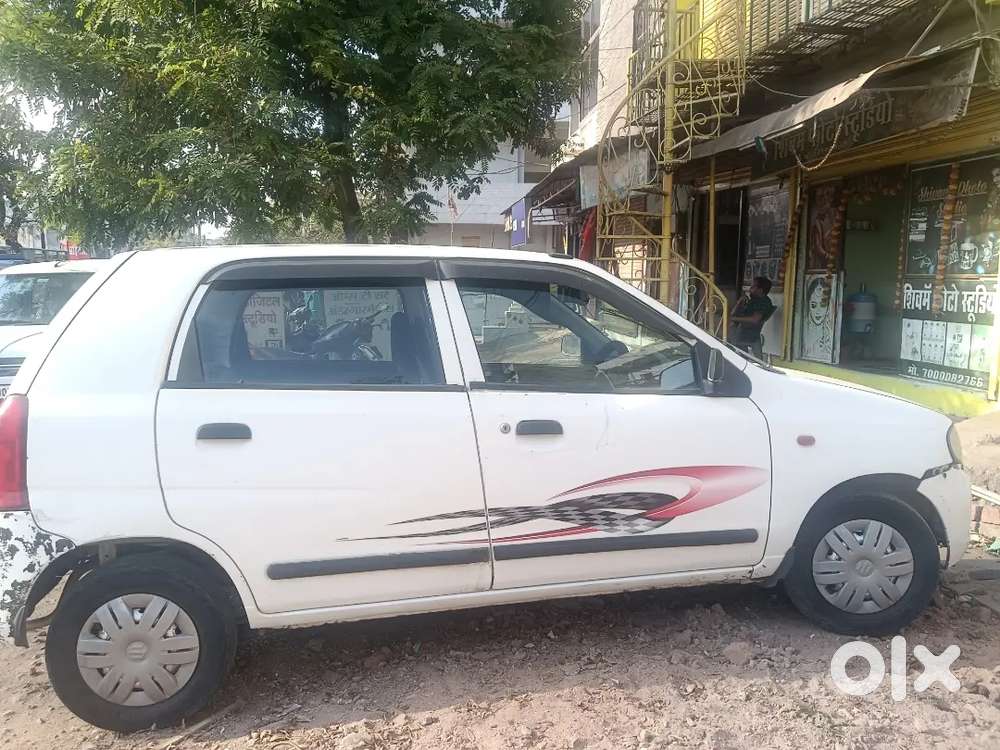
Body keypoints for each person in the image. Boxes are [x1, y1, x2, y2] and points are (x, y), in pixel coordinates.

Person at [731, 276, 775, 358]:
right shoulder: (753, 300)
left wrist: (734, 319)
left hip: (746, 332)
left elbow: (755, 319)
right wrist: (739, 302)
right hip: (742, 330)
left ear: (760, 290)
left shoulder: (764, 302)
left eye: (753, 287)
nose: (750, 289)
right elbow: (732, 313)